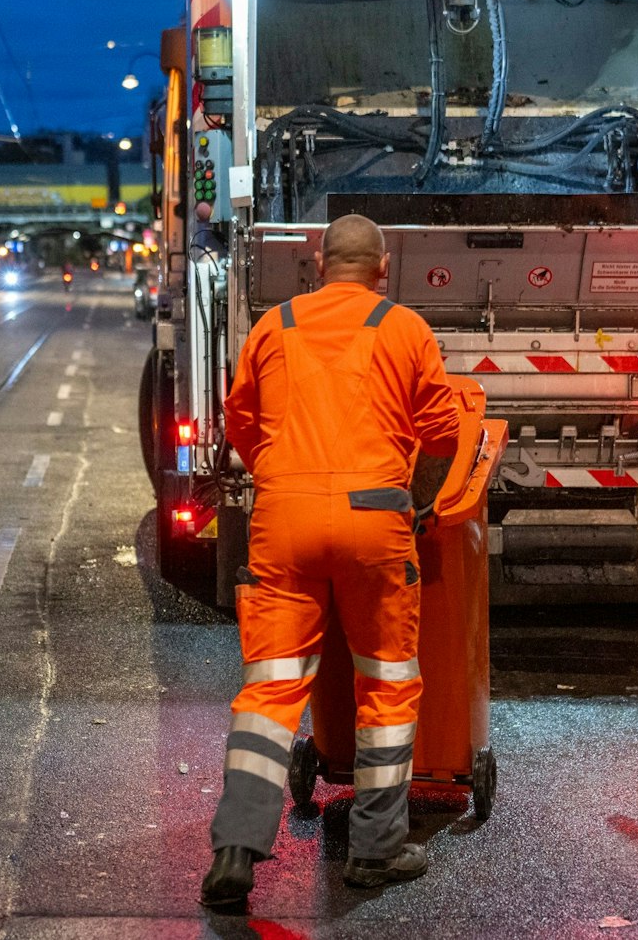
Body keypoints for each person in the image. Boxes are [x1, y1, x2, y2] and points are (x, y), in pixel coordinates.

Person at [201, 214, 461, 909]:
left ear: (318, 263)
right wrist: (419, 502)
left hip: (282, 522)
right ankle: (375, 851)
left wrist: (287, 481)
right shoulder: (403, 327)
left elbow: (241, 423)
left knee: (270, 692)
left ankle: (235, 850)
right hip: (375, 521)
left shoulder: (273, 325)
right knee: (386, 682)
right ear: (383, 267)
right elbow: (442, 431)